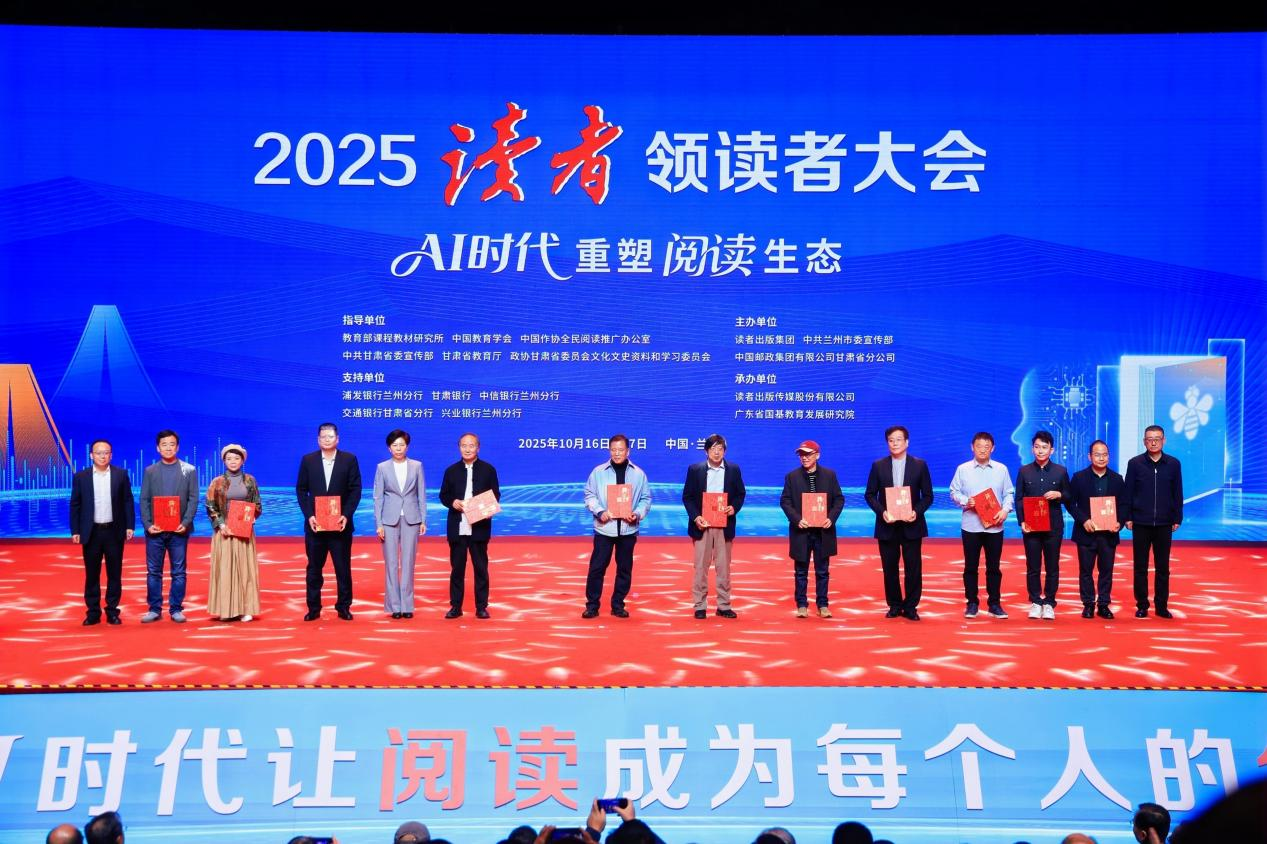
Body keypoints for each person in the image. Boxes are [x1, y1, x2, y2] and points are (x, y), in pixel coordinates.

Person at [864, 425, 934, 621]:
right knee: (889, 568)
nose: (894, 443)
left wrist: (916, 512)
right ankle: (894, 605)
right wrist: (882, 512)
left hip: (912, 524)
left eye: (898, 440)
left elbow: (928, 496)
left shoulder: (919, 465)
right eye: (891, 440)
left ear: (907, 442)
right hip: (887, 525)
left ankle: (911, 607)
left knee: (913, 568)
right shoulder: (878, 466)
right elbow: (870, 495)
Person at [296, 422, 363, 621]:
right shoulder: (308, 460)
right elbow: (301, 490)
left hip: (340, 526)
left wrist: (346, 515)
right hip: (315, 526)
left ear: (337, 439)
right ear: (318, 440)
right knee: (314, 569)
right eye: (323, 437)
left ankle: (343, 606)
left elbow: (355, 489)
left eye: (330, 436)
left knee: (343, 569)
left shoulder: (349, 459)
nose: (327, 440)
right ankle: (313, 607)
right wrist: (309, 515)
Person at [582, 434, 651, 618]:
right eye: (613, 450)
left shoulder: (638, 474)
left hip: (628, 529)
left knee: (624, 569)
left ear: (628, 451)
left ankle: (618, 604)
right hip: (604, 528)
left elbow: (646, 499)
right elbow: (589, 495)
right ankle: (592, 605)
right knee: (597, 568)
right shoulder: (598, 472)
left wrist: (637, 514)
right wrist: (599, 511)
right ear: (609, 450)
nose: (617, 453)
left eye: (621, 450)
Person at [949, 431, 1015, 618]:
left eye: (987, 447)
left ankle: (994, 604)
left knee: (994, 567)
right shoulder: (963, 469)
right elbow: (953, 492)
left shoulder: (1001, 469)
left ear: (993, 448)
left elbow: (1009, 493)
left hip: (995, 526)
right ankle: (972, 603)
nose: (983, 450)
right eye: (979, 446)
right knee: (970, 567)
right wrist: (966, 501)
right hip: (971, 525)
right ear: (972, 447)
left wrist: (1005, 510)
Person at [681, 433, 746, 619]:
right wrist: (696, 517)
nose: (716, 452)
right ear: (706, 451)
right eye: (712, 449)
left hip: (724, 525)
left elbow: (740, 494)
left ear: (725, 451)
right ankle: (700, 606)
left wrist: (734, 508)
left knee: (723, 568)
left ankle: (723, 605)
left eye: (720, 449)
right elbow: (687, 497)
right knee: (700, 567)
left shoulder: (734, 469)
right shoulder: (695, 470)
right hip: (702, 525)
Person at [69, 439, 134, 625]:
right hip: (92, 532)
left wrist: (130, 526)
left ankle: (112, 611)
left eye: (106, 452)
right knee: (92, 574)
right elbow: (75, 504)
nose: (102, 456)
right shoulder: (81, 477)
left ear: (111, 455)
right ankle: (93, 612)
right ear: (91, 455)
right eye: (98, 453)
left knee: (115, 574)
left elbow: (127, 501)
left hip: (114, 531)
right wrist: (75, 530)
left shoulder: (121, 475)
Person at [779, 440, 844, 618]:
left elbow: (839, 499)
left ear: (817, 455)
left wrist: (831, 518)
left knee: (822, 571)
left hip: (823, 531)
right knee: (801, 571)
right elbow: (785, 501)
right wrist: (797, 519)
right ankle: (801, 605)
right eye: (801, 454)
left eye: (808, 454)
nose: (804, 458)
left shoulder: (830, 475)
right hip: (802, 531)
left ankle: (823, 605)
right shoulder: (792, 477)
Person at [138, 430, 198, 623]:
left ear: (177, 447)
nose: (168, 448)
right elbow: (144, 500)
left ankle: (176, 609)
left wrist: (185, 522)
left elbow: (193, 499)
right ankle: (154, 609)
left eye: (172, 444)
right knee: (154, 571)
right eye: (164, 444)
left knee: (178, 572)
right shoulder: (150, 471)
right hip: (155, 531)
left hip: (179, 530)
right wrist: (148, 525)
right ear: (158, 448)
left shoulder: (189, 470)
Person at [439, 432, 500, 619]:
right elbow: (443, 495)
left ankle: (481, 607)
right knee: (457, 569)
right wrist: (453, 502)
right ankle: (455, 607)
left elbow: (495, 495)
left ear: (478, 448)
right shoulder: (451, 471)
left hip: (479, 526)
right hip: (458, 526)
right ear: (459, 448)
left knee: (481, 568)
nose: (467, 449)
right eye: (464, 445)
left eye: (471, 445)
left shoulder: (488, 470)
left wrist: (483, 507)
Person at [1124, 425, 1183, 618]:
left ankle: (1161, 605)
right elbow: (1128, 492)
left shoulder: (1173, 464)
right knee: (1140, 567)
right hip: (1140, 522)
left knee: (1163, 567)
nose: (1154, 442)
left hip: (1165, 523)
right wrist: (1128, 516)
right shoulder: (1135, 463)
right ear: (1144, 441)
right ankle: (1142, 605)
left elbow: (1177, 492)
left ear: (1164, 440)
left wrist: (1177, 517)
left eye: (1157, 438)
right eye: (1150, 439)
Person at [1066, 440, 1128, 619]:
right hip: (1086, 532)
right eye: (1097, 454)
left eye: (1105, 454)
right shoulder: (1079, 478)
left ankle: (1103, 604)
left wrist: (1120, 522)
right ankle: (1088, 604)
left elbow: (1124, 504)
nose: (1101, 458)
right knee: (1086, 571)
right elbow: (1070, 503)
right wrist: (1083, 520)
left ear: (1109, 456)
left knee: (1106, 570)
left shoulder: (1117, 479)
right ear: (1089, 456)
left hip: (1109, 533)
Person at [1015, 430, 1071, 620]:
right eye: (1037, 447)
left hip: (1053, 527)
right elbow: (1019, 499)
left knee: (1052, 565)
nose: (1040, 451)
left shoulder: (1060, 471)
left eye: (1044, 447)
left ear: (1051, 450)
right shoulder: (1024, 471)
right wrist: (1022, 521)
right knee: (1033, 566)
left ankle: (1049, 602)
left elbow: (1069, 495)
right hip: (1031, 527)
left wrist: (1059, 494)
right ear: (1032, 449)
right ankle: (1035, 601)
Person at [204, 444, 262, 622]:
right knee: (225, 569)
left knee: (245, 569)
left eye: (236, 458)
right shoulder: (217, 482)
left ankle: (246, 608)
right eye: (229, 458)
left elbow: (257, 504)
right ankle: (226, 609)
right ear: (224, 461)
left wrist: (252, 517)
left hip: (244, 530)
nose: (233, 461)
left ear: (242, 460)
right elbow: (210, 505)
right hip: (225, 531)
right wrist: (221, 525)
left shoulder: (250, 480)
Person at [374, 429, 427, 620]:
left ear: (407, 447)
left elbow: (421, 494)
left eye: (402, 445)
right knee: (391, 563)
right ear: (389, 448)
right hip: (389, 520)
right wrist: (379, 524)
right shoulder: (382, 468)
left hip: (411, 518)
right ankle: (394, 606)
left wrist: (423, 519)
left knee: (408, 562)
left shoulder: (417, 466)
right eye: (394, 445)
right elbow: (378, 497)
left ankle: (407, 605)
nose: (398, 448)